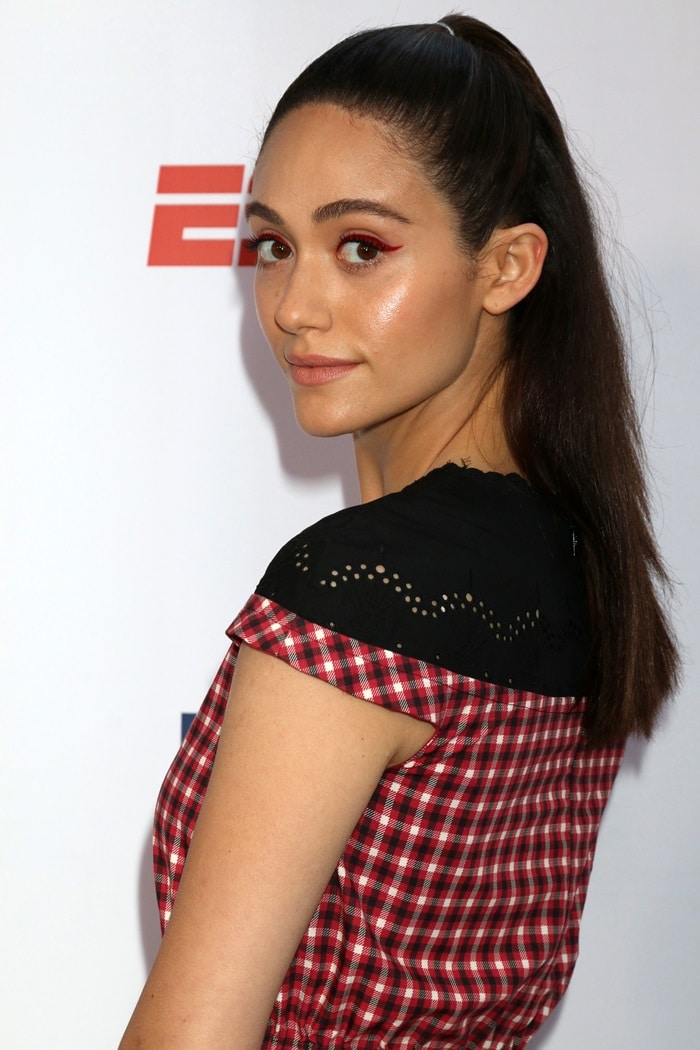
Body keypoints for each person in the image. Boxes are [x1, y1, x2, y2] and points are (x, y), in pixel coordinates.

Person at [119, 14, 678, 1049]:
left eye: (361, 248)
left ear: (507, 267)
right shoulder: (579, 564)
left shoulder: (358, 590)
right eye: (274, 245)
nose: (292, 304)